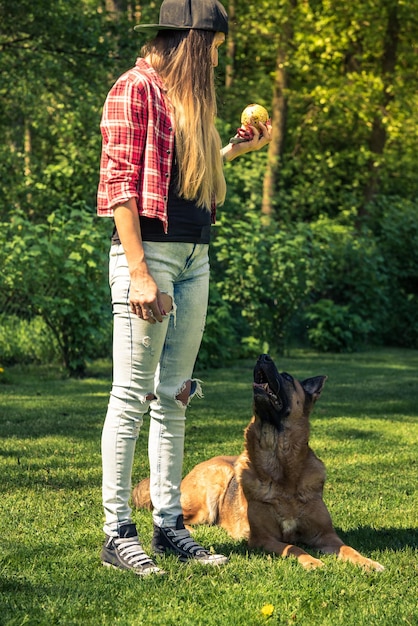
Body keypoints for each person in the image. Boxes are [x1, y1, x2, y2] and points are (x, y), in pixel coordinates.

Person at [97, 0, 272, 576]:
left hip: (195, 254)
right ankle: (117, 531)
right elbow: (121, 186)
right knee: (130, 396)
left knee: (174, 395)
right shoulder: (135, 89)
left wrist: (233, 152)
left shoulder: (185, 101)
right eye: (215, 50)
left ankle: (170, 525)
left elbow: (184, 180)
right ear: (195, 42)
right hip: (152, 256)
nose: (218, 62)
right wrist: (140, 271)